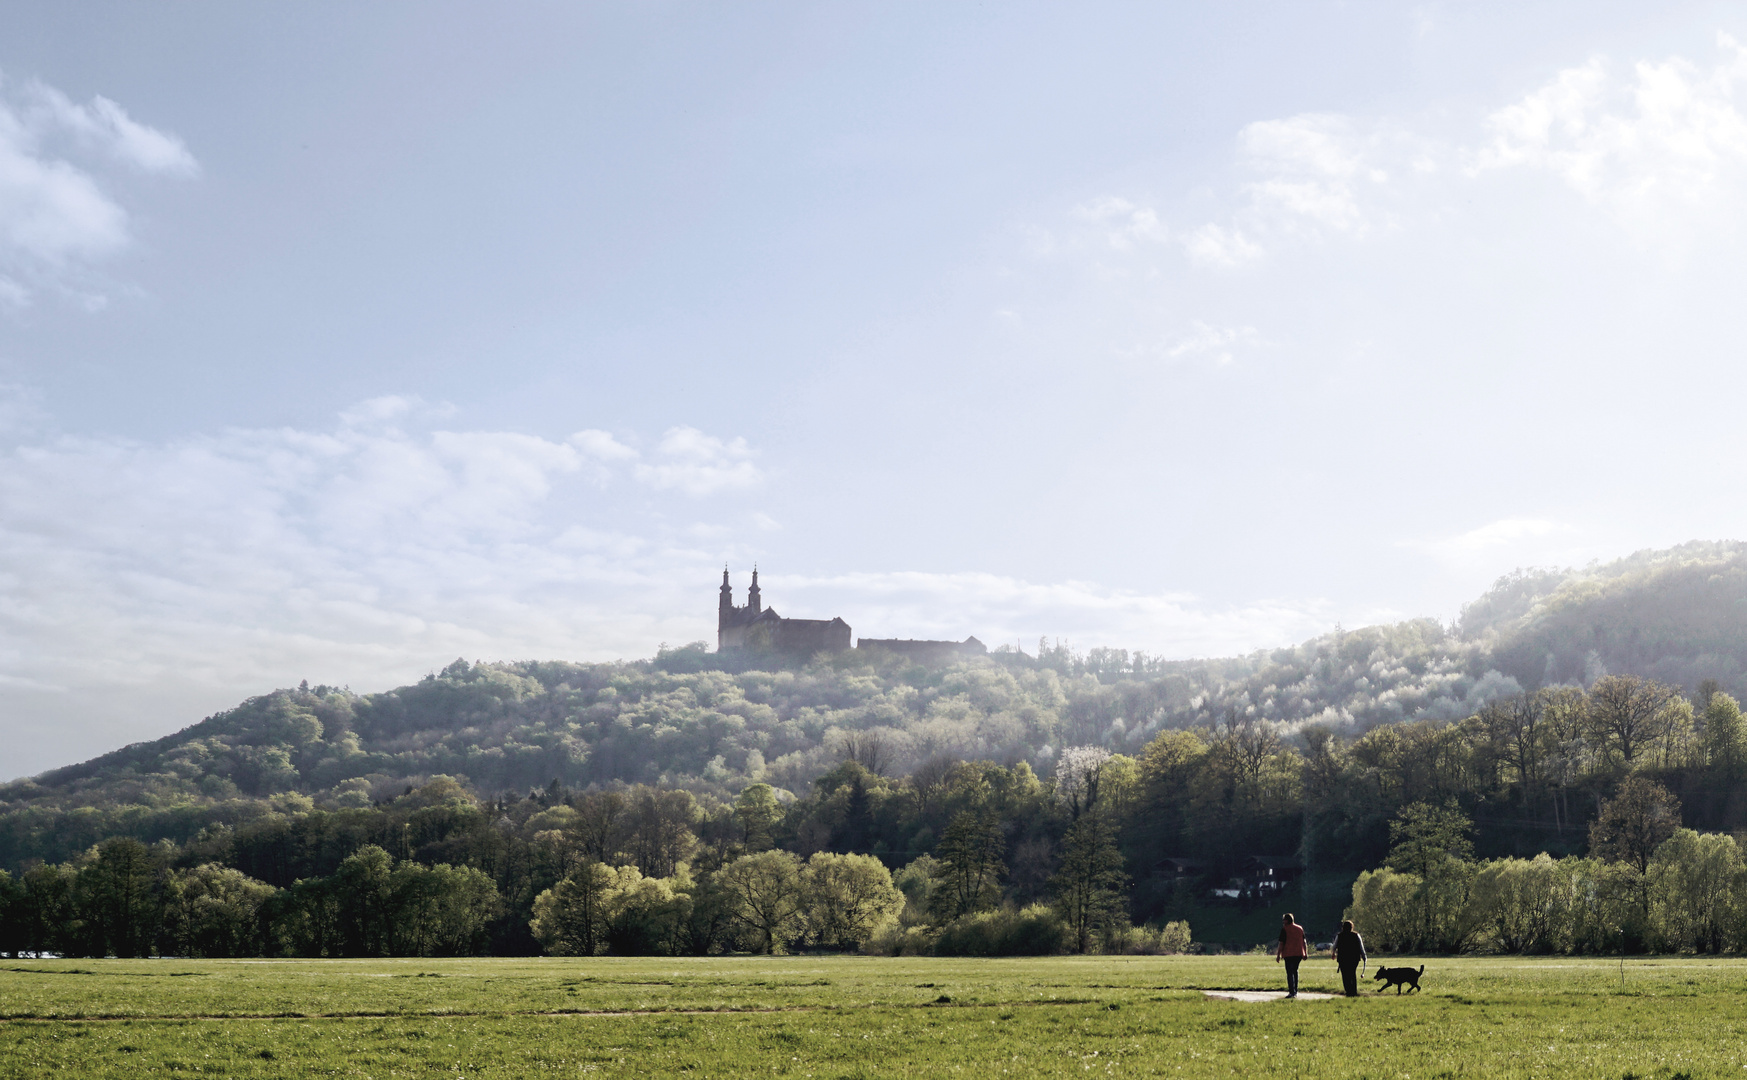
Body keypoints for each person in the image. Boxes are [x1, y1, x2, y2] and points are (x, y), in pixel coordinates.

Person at [1275, 912, 1308, 997]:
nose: (1283, 921)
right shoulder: (1300, 928)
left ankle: (1291, 992)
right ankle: (1295, 991)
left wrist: (1278, 955)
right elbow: (1304, 941)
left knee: (1289, 973)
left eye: (1284, 920)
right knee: (1295, 971)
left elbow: (1281, 943)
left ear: (1286, 920)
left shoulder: (1285, 929)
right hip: (1298, 953)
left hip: (1288, 953)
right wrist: (1305, 952)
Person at [1333, 919, 1367, 997]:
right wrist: (1364, 956)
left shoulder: (1339, 936)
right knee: (1352, 974)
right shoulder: (1356, 935)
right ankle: (1353, 991)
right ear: (1352, 927)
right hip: (1354, 958)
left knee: (1345, 975)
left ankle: (1348, 991)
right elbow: (1361, 947)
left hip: (1342, 958)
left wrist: (1333, 953)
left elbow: (1334, 946)